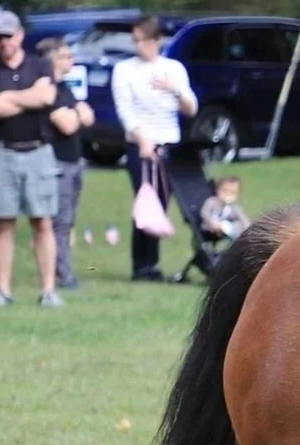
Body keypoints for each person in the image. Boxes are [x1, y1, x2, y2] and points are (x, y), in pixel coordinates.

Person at [0, 11, 60, 307]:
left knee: (42, 222)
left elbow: (46, 98)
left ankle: (48, 291)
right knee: (3, 223)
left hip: (38, 151)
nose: (4, 42)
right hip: (1, 153)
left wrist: (7, 97)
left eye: (8, 36)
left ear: (20, 35)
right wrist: (27, 96)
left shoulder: (40, 65)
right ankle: (2, 291)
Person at [111, 16, 197, 281]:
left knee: (164, 203)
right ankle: (143, 266)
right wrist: (142, 139)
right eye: (136, 41)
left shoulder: (173, 68)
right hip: (142, 147)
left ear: (157, 40)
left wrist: (174, 90)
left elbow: (191, 108)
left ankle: (153, 263)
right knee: (148, 201)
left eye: (145, 41)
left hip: (169, 142)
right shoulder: (125, 70)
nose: (140, 46)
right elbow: (125, 110)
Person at [40, 36, 93, 292]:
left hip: (74, 160)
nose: (72, 60)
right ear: (53, 60)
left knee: (68, 220)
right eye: (66, 56)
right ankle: (63, 274)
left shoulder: (65, 88)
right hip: (57, 162)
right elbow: (68, 124)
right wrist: (77, 114)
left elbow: (88, 117)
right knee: (59, 222)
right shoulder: (48, 90)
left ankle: (61, 269)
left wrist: (77, 114)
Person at [199, 174, 250, 241]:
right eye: (225, 191)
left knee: (239, 225)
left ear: (237, 195)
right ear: (218, 190)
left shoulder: (235, 207)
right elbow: (205, 213)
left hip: (228, 229)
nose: (228, 194)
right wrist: (212, 222)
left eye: (232, 192)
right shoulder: (212, 202)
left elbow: (243, 219)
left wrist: (247, 228)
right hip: (210, 228)